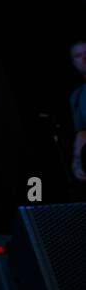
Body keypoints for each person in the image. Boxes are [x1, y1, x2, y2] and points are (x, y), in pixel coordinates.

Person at [67, 40, 86, 184]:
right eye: (79, 55)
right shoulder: (77, 95)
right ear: (74, 63)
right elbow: (82, 132)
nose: (84, 58)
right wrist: (77, 160)